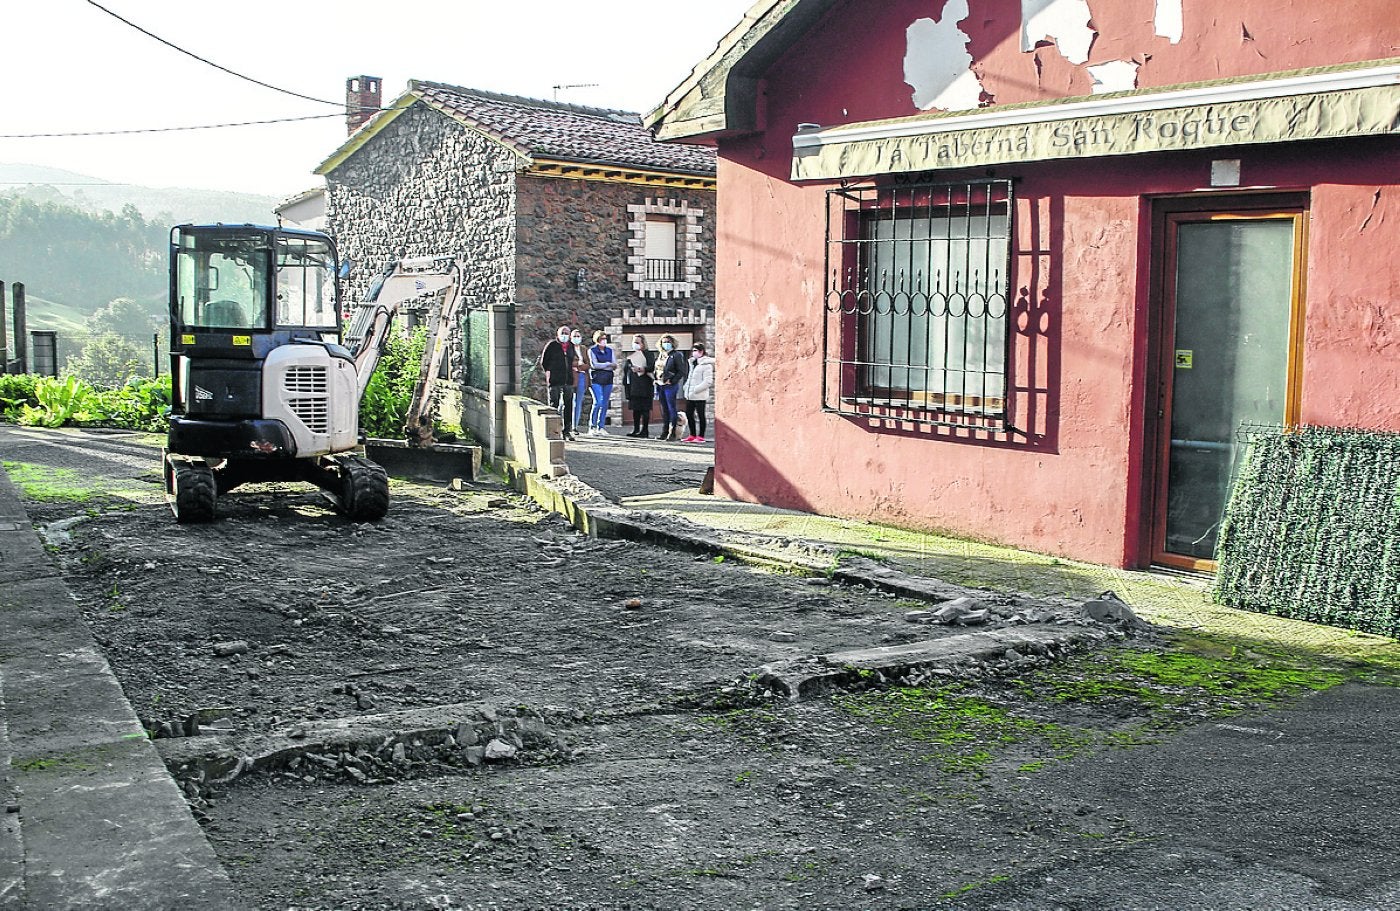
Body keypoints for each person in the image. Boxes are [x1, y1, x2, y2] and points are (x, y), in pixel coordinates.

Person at [538, 325, 582, 441]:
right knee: (554, 405)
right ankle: (553, 431)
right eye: (563, 333)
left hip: (568, 380)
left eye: (567, 333)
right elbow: (544, 361)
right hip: (555, 380)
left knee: (568, 405)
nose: (565, 335)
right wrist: (550, 372)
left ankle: (567, 431)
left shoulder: (571, 346)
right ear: (558, 334)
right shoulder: (552, 345)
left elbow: (573, 360)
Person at [654, 334, 689, 441]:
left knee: (671, 408)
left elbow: (682, 371)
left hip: (670, 386)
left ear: (672, 343)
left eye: (668, 342)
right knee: (664, 409)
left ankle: (673, 432)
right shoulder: (661, 355)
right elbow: (658, 368)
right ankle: (664, 432)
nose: (666, 344)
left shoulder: (676, 355)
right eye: (664, 342)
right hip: (660, 385)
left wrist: (672, 380)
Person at [622, 334, 655, 438]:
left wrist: (642, 369)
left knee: (645, 409)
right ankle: (636, 430)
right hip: (634, 387)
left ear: (643, 343)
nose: (635, 344)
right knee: (636, 409)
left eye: (637, 342)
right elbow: (626, 370)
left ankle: (644, 431)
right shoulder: (631, 356)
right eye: (634, 342)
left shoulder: (648, 354)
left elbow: (652, 366)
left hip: (645, 386)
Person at [681, 342, 715, 443]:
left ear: (701, 352)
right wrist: (686, 387)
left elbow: (708, 381)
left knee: (700, 415)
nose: (694, 353)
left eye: (696, 351)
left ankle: (701, 436)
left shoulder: (706, 365)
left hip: (699, 395)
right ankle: (692, 434)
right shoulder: (692, 363)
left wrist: (696, 389)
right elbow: (690, 377)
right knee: (689, 414)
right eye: (693, 351)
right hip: (690, 394)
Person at [586, 330, 618, 435]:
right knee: (598, 402)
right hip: (596, 379)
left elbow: (614, 364)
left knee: (605, 403)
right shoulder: (592, 351)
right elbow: (595, 365)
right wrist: (607, 364)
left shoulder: (610, 350)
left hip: (608, 379)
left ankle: (601, 426)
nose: (604, 341)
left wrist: (606, 365)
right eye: (601, 339)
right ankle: (592, 426)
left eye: (605, 339)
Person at [570, 328, 588, 431]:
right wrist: (577, 364)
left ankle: (574, 426)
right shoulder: (568, 349)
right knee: (566, 402)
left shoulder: (583, 349)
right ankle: (564, 424)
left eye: (578, 336)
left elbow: (587, 364)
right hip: (571, 376)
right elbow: (568, 363)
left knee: (578, 402)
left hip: (581, 376)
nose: (577, 338)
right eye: (574, 336)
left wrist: (580, 366)